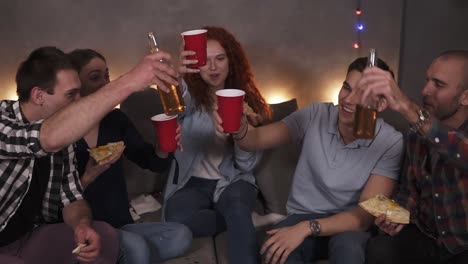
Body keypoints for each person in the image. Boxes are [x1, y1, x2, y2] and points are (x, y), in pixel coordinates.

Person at [213, 56, 404, 264]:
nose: (348, 100)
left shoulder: (390, 141)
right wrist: (240, 128)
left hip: (348, 223)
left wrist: (307, 228)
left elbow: (365, 214)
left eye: (362, 94)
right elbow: (255, 139)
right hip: (303, 214)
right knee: (273, 252)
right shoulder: (316, 115)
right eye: (347, 88)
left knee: (349, 250)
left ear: (382, 103)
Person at [0, 46, 179, 264]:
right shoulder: (5, 120)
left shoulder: (76, 135)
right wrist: (130, 81)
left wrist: (81, 225)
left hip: (28, 236)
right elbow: (45, 139)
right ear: (39, 95)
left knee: (107, 236)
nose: (78, 100)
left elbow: (72, 197)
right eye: (70, 95)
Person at [68, 48, 192, 264]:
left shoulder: (115, 119)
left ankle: (114, 255)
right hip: (84, 229)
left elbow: (152, 162)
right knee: (137, 248)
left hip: (121, 224)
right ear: (76, 85)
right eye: (95, 77)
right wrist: (88, 176)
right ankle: (117, 252)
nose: (106, 82)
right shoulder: (62, 131)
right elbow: (55, 204)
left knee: (181, 235)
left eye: (107, 75)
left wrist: (165, 144)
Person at [163, 26, 272, 264]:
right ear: (196, 64)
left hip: (233, 180)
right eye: (206, 61)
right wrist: (177, 75)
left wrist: (242, 132)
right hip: (193, 182)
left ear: (231, 60)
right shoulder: (191, 99)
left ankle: (239, 216)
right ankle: (245, 219)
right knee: (176, 219)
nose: (212, 68)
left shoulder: (248, 104)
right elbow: (174, 104)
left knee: (236, 206)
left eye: (220, 58)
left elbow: (246, 165)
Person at [362, 50, 468, 264]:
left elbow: (460, 150)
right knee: (379, 249)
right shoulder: (416, 135)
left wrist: (406, 106)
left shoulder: (422, 126)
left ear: (465, 96)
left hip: (462, 245)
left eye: (438, 85)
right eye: (427, 80)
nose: (425, 90)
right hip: (427, 237)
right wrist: (397, 216)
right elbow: (410, 191)